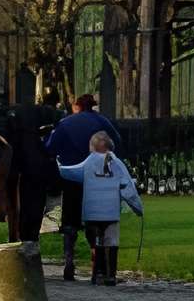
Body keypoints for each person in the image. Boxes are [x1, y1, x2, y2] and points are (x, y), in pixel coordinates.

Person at [59, 128, 144, 285]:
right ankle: (110, 275)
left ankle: (97, 274)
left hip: (91, 213)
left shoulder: (88, 162)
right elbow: (128, 188)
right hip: (111, 213)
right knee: (112, 242)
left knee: (97, 242)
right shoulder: (117, 164)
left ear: (93, 146)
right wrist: (138, 208)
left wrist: (57, 165)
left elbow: (70, 172)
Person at [44, 93, 114, 280]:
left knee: (69, 221)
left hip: (70, 177)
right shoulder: (103, 122)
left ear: (77, 106)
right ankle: (96, 259)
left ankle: (69, 260)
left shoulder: (66, 124)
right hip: (97, 178)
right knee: (95, 219)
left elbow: (50, 149)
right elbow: (117, 145)